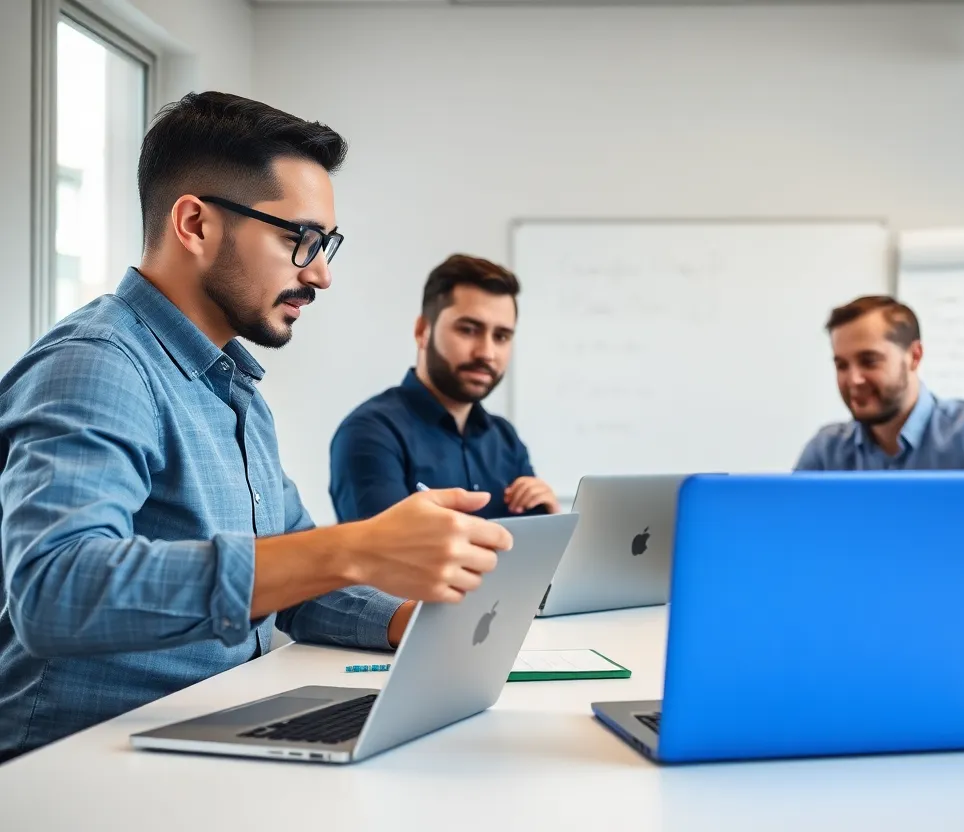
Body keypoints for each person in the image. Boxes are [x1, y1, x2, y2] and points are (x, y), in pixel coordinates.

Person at [0, 92, 511, 762]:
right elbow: (56, 590)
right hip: (77, 764)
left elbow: (290, 569)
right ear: (196, 224)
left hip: (205, 734)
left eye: (326, 245)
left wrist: (404, 620)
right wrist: (351, 548)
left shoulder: (233, 387)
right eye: (300, 239)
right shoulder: (98, 365)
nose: (320, 274)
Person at [329, 255, 558, 523]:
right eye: (469, 330)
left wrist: (552, 520)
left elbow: (536, 546)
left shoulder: (505, 439)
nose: (487, 352)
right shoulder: (372, 432)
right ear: (422, 331)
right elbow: (383, 547)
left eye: (501, 336)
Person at [794, 295, 964, 471]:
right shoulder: (826, 451)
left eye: (869, 361)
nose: (854, 379)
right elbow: (788, 519)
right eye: (842, 365)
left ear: (914, 356)